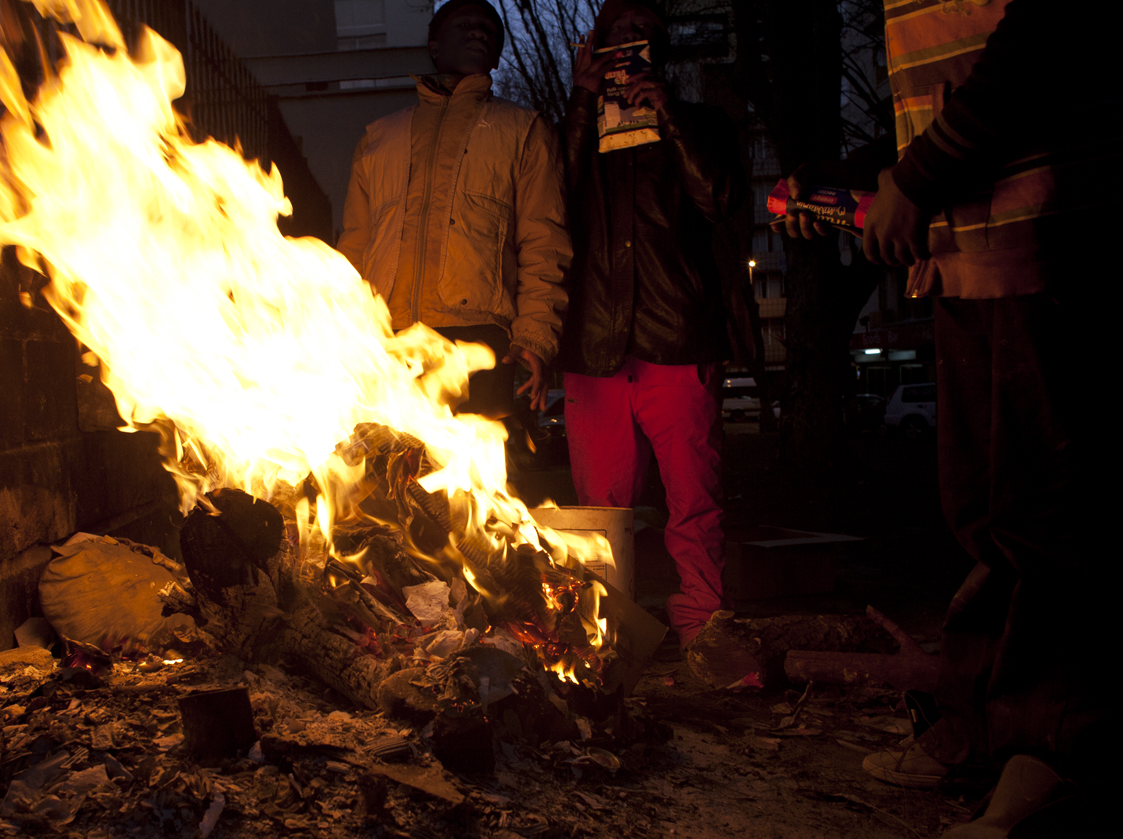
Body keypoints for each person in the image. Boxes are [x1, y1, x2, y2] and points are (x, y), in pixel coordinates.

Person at [778, 0, 1112, 831]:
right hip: (965, 260)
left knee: (1048, 520)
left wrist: (918, 180)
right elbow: (950, 88)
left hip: (1047, 240)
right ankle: (974, 727)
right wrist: (874, 176)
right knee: (983, 514)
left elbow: (1046, 41)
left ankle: (1052, 753)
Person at [556, 0, 750, 649]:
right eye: (613, 35)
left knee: (694, 498)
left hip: (676, 337)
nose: (626, 45)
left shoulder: (700, 124)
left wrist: (667, 112)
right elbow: (550, 206)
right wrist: (580, 102)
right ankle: (605, 633)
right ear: (594, 51)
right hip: (593, 347)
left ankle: (703, 624)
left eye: (639, 34)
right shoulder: (574, 130)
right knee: (599, 512)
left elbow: (718, 198)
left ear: (658, 49)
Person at [337, 0, 571, 419]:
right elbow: (355, 244)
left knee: (467, 476)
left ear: (498, 55)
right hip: (385, 336)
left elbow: (544, 241)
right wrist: (344, 330)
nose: (479, 32)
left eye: (490, 31)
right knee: (391, 476)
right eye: (465, 24)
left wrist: (535, 337)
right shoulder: (380, 137)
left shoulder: (524, 130)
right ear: (434, 44)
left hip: (476, 340)